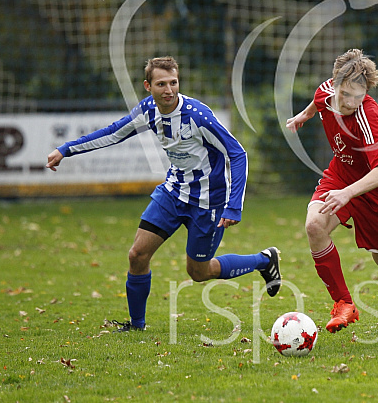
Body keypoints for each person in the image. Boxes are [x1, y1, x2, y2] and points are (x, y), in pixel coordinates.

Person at [46, 56, 281, 332]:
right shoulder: (148, 111)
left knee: (198, 272)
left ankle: (264, 260)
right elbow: (113, 133)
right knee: (137, 255)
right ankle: (137, 326)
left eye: (173, 83)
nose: (169, 90)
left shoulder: (198, 116)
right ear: (148, 86)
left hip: (208, 202)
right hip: (172, 193)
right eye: (161, 84)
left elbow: (237, 153)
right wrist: (66, 149)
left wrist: (234, 206)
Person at [286, 49, 378, 341]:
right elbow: (317, 101)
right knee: (314, 225)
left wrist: (348, 194)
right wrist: (304, 116)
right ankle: (344, 303)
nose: (349, 103)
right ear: (334, 83)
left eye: (357, 96)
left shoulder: (368, 115)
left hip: (375, 192)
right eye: (345, 94)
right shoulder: (326, 91)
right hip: (341, 175)